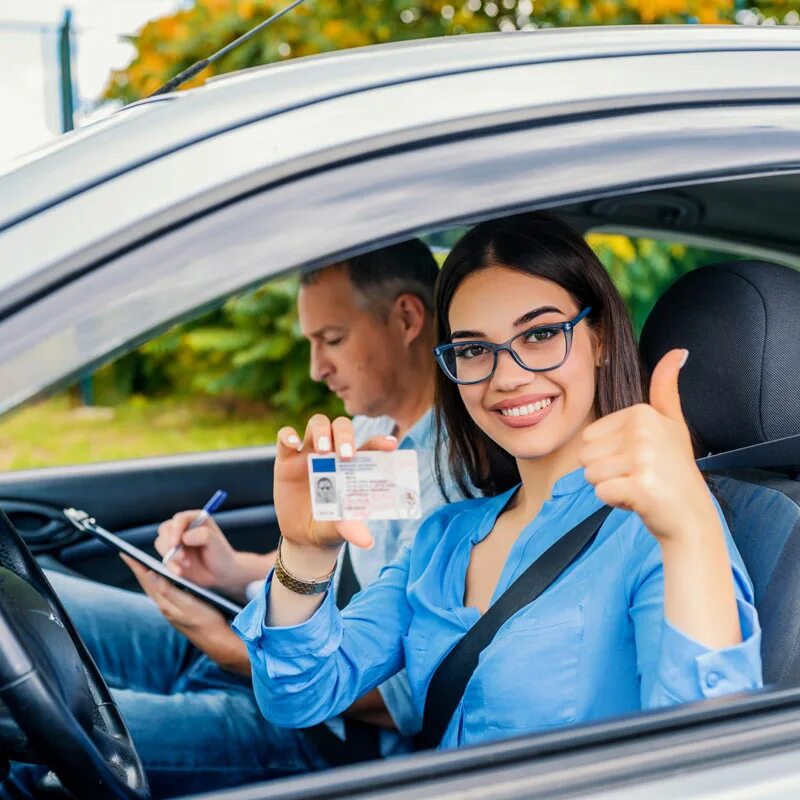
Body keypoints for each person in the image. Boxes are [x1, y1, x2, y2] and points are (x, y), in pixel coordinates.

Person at [235, 212, 763, 748]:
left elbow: (710, 760)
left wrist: (690, 525)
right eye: (472, 349)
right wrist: (302, 552)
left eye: (539, 334)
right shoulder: (442, 539)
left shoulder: (662, 527)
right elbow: (297, 696)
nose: (506, 377)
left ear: (599, 337)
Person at [3, 239, 450, 799]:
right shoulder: (370, 431)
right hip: (258, 641)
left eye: (332, 340)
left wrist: (220, 644)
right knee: (36, 600)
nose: (316, 369)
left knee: (32, 748)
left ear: (407, 318)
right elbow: (335, 568)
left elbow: (401, 700)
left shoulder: (451, 482)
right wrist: (232, 570)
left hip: (321, 731)